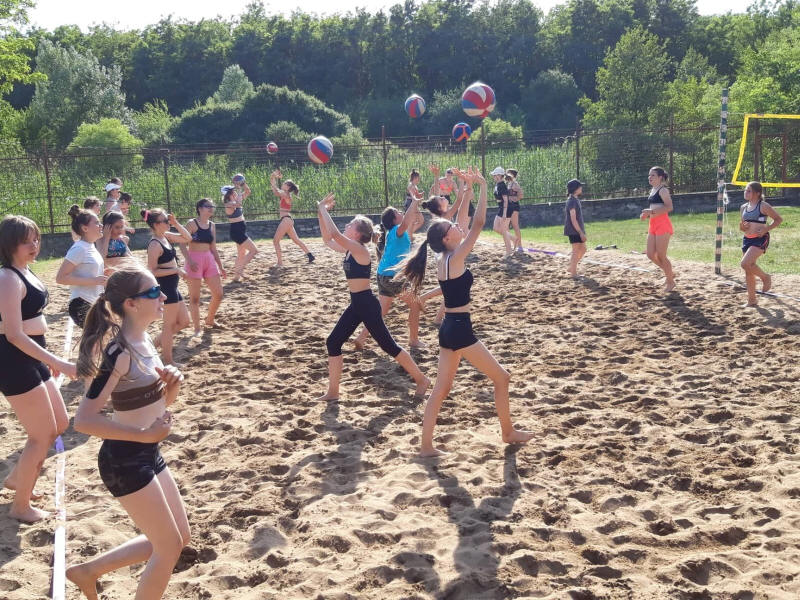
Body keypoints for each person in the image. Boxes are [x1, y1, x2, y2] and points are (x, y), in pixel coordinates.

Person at [66, 266, 189, 600]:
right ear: (132, 304)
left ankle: (87, 572)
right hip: (123, 460)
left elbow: (156, 404)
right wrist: (146, 435)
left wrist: (172, 386)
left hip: (147, 452)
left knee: (179, 538)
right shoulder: (118, 353)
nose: (163, 296)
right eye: (154, 292)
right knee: (168, 547)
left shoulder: (145, 340)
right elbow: (84, 420)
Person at [401, 167, 533, 456]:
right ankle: (508, 432)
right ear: (447, 239)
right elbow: (478, 223)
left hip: (449, 328)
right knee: (502, 378)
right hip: (459, 328)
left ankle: (426, 447)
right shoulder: (456, 256)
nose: (456, 227)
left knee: (441, 389)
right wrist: (484, 186)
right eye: (452, 228)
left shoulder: (444, 257)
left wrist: (467, 190)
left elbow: (460, 222)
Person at [316, 194, 429, 401]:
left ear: (358, 233)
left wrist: (323, 209)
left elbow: (334, 234)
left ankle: (422, 380)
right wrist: (320, 212)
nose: (347, 225)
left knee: (389, 346)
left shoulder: (360, 250)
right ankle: (333, 392)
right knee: (333, 342)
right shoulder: (349, 249)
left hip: (367, 305)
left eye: (351, 224)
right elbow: (327, 239)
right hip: (357, 304)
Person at [0, 216, 74, 522]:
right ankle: (20, 507)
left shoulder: (24, 271)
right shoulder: (7, 277)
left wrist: (46, 358)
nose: (34, 246)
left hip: (31, 356)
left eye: (36, 239)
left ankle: (17, 479)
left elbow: (28, 325)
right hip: (13, 361)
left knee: (59, 423)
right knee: (41, 434)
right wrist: (57, 361)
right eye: (26, 241)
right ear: (9, 245)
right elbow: (14, 335)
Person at [353, 200, 425, 351]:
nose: (400, 212)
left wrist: (416, 205)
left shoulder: (400, 232)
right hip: (392, 276)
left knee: (382, 310)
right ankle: (413, 340)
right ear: (394, 220)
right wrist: (413, 202)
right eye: (397, 212)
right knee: (415, 305)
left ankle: (361, 338)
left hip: (382, 274)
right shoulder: (397, 230)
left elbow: (419, 221)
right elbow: (407, 221)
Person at [143, 209, 191, 365]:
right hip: (165, 288)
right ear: (156, 225)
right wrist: (175, 270)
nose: (168, 222)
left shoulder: (166, 236)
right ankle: (168, 362)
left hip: (173, 286)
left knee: (184, 322)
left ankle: (149, 346)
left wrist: (176, 223)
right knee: (168, 327)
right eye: (165, 221)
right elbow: (152, 271)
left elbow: (188, 238)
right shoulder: (154, 244)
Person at [180, 199, 226, 334]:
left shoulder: (212, 225)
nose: (211, 208)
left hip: (209, 260)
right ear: (200, 208)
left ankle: (210, 319)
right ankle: (197, 328)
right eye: (207, 206)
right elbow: (182, 244)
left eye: (212, 206)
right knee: (195, 298)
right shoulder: (191, 223)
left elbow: (213, 248)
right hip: (194, 260)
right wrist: (189, 260)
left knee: (218, 294)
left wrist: (221, 266)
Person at [57, 205, 107, 327]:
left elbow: (89, 272)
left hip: (94, 301)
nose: (101, 225)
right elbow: (61, 278)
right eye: (97, 223)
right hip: (82, 302)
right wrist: (94, 280)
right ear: (85, 228)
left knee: (100, 336)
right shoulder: (79, 248)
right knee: (98, 336)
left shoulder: (90, 246)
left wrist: (104, 273)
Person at [739, 181, 782, 307]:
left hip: (760, 239)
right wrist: (742, 227)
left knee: (745, 263)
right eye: (745, 190)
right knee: (748, 270)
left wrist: (765, 229)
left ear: (757, 193)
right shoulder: (743, 207)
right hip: (747, 239)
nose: (745, 192)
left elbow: (778, 219)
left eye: (749, 191)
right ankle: (752, 300)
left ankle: (765, 277)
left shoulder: (763, 206)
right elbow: (742, 226)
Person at [640, 166, 676, 292]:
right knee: (650, 254)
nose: (650, 177)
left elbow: (669, 207)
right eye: (649, 175)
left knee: (661, 255)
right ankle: (669, 273)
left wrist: (651, 211)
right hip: (653, 224)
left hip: (662, 224)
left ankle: (670, 282)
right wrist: (646, 214)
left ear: (660, 177)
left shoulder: (663, 190)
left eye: (653, 175)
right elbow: (654, 208)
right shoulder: (653, 189)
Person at [269, 169, 315, 267]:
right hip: (287, 220)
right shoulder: (285, 194)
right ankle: (310, 255)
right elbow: (274, 190)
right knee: (296, 240)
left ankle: (280, 263)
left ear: (288, 187)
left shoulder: (286, 194)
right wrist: (272, 177)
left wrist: (273, 177)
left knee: (275, 241)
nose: (283, 183)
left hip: (286, 220)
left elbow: (276, 190)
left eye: (285, 183)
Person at [222, 175, 259, 281]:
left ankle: (236, 277)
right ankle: (240, 270)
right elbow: (238, 204)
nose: (235, 191)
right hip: (237, 231)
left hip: (240, 230)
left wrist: (243, 183)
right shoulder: (228, 203)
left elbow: (248, 191)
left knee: (241, 254)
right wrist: (238, 190)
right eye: (233, 190)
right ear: (229, 194)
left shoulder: (235, 198)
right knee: (254, 251)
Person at [564, 179, 587, 276]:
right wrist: (580, 233)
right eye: (580, 186)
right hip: (574, 230)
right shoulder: (572, 201)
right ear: (575, 189)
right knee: (576, 251)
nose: (581, 188)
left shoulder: (575, 200)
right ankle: (573, 273)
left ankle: (571, 267)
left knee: (583, 249)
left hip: (577, 230)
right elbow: (573, 219)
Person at [491, 166, 513, 257]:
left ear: (499, 176)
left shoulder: (502, 185)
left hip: (505, 209)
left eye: (495, 175)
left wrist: (504, 213)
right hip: (501, 208)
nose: (493, 176)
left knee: (504, 231)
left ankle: (509, 251)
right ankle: (514, 238)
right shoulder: (498, 184)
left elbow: (506, 200)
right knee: (496, 228)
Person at [505, 169, 523, 251]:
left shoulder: (515, 184)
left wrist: (514, 200)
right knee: (506, 226)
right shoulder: (509, 184)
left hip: (514, 206)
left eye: (507, 173)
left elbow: (521, 195)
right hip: (508, 206)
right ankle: (513, 244)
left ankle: (520, 246)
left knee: (515, 225)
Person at [404, 169, 426, 235]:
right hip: (410, 204)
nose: (419, 180)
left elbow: (416, 195)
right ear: (415, 178)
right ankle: (409, 234)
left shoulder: (415, 186)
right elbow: (412, 196)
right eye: (418, 178)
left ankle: (408, 233)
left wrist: (420, 194)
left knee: (421, 220)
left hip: (414, 203)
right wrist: (417, 199)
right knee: (412, 221)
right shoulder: (410, 185)